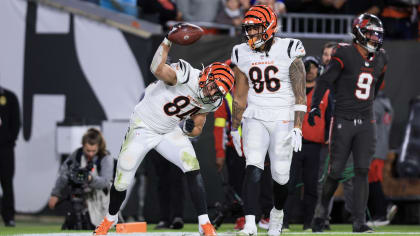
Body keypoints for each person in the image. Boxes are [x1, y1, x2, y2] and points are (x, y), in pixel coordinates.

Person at [93, 24, 235, 236]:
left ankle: (204, 224)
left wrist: (189, 130)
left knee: (191, 166)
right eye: (214, 86)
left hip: (169, 130)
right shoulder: (186, 75)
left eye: (218, 92)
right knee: (122, 177)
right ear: (207, 75)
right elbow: (157, 69)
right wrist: (167, 40)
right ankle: (110, 219)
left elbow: (198, 126)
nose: (213, 93)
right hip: (143, 125)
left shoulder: (212, 102)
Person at [231, 5, 307, 235]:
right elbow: (240, 95)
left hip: (283, 116)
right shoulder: (241, 52)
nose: (250, 34)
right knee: (252, 167)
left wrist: (297, 126)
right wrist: (235, 127)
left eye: (255, 29)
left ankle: (277, 213)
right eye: (248, 29)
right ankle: (251, 223)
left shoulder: (289, 48)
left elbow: (300, 92)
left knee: (281, 176)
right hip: (255, 115)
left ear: (269, 27)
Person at [309, 13, 388, 233]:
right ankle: (320, 215)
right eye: (370, 34)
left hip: (366, 121)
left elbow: (376, 85)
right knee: (335, 173)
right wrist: (315, 105)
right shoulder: (344, 52)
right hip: (343, 119)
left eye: (376, 35)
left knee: (362, 170)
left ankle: (359, 222)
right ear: (359, 33)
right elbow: (325, 80)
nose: (374, 39)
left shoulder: (382, 57)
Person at [283, 56, 332, 232]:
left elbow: (329, 116)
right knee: (288, 182)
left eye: (313, 67)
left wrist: (328, 136)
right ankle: (284, 221)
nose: (310, 71)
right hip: (295, 142)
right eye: (307, 67)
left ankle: (308, 222)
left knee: (311, 185)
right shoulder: (294, 90)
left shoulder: (325, 92)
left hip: (315, 145)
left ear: (318, 69)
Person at [48, 128, 114, 229]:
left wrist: (90, 179)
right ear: (83, 145)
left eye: (93, 151)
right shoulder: (77, 154)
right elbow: (64, 174)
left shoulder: (106, 158)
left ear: (99, 147)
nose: (90, 154)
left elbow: (105, 182)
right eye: (88, 150)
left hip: (102, 200)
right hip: (80, 197)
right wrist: (55, 194)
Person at [367, 83, 397, 227]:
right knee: (374, 180)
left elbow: (370, 128)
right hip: (381, 147)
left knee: (373, 181)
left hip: (374, 148)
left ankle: (382, 212)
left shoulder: (375, 104)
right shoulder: (387, 103)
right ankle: (381, 210)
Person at [0, 86, 21, 227]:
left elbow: (16, 122)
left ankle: (9, 217)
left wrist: (8, 140)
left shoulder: (9, 96)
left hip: (5, 150)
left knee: (7, 183)